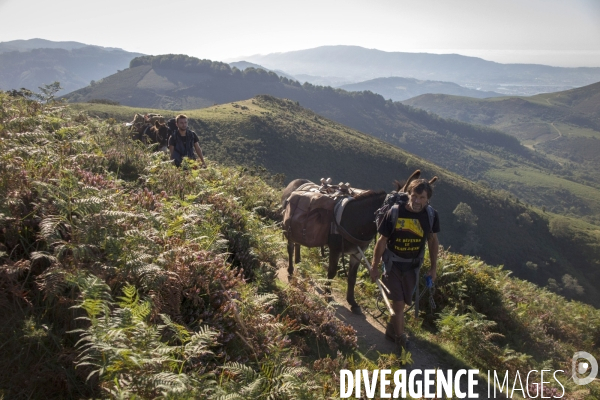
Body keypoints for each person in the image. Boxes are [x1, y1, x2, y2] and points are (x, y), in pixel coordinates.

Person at [370, 178, 440, 352]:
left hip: (412, 267)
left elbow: (433, 241)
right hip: (393, 264)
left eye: (422, 198)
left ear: (427, 198)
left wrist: (433, 268)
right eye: (414, 196)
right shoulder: (395, 212)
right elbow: (382, 240)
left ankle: (391, 331)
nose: (417, 201)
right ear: (409, 194)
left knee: (404, 302)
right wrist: (375, 266)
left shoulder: (430, 216)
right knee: (399, 303)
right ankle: (401, 339)